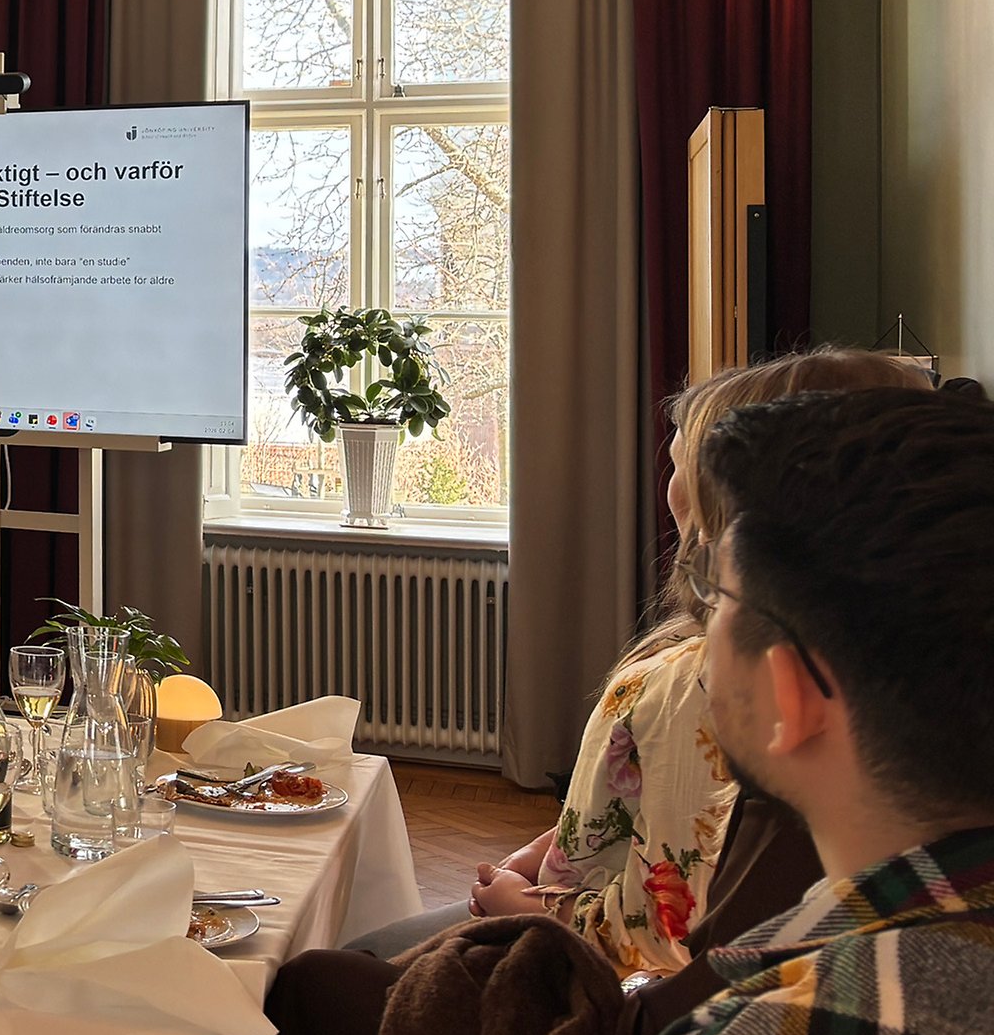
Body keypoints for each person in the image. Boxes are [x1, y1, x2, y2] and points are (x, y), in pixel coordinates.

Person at [225, 350, 931, 1035]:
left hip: (600, 983)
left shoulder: (717, 704)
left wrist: (527, 914)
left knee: (315, 992)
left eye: (686, 454)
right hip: (602, 947)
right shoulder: (900, 843)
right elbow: (623, 838)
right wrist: (542, 862)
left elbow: (662, 973)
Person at [350, 348, 935, 971]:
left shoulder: (697, 687)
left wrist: (520, 904)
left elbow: (663, 937)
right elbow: (660, 822)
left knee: (333, 972)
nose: (669, 487)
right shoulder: (905, 664)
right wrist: (553, 846)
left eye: (680, 465)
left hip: (590, 972)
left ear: (724, 496)